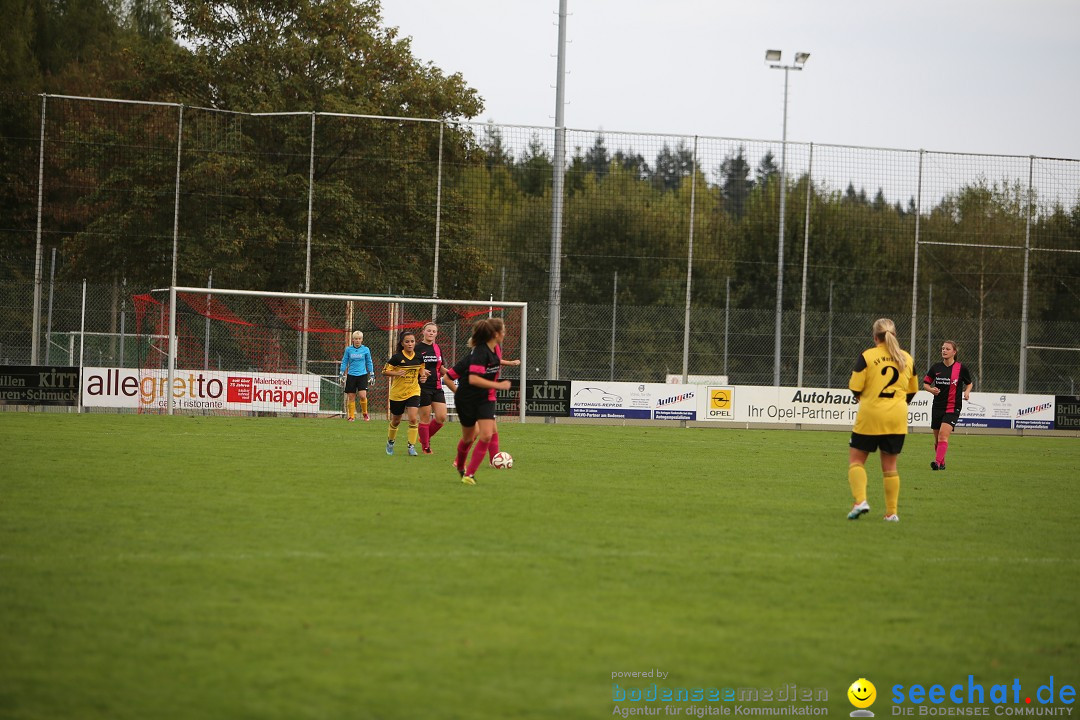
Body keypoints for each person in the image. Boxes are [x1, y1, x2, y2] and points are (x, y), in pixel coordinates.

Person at [846, 317, 918, 523]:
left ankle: (860, 501)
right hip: (897, 417)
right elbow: (912, 391)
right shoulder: (907, 358)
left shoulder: (868, 356)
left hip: (871, 414)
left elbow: (855, 388)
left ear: (874, 336)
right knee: (890, 467)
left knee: (857, 461)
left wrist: (868, 399)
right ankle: (891, 513)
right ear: (894, 335)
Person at [444, 318, 512, 485]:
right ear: (495, 334)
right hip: (467, 400)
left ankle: (470, 474)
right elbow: (473, 379)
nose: (505, 333)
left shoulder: (496, 349)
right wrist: (498, 385)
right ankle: (460, 465)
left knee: (486, 434)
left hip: (485, 398)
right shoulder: (479, 354)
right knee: (468, 439)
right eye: (503, 330)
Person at [922, 340, 974, 471]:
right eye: (943, 348)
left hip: (953, 407)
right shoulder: (936, 368)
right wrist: (931, 390)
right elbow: (925, 384)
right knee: (937, 440)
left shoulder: (961, 368)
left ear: (954, 352)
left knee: (943, 436)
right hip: (937, 406)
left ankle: (937, 463)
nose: (944, 351)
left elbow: (969, 383)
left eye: (947, 349)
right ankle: (942, 462)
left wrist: (967, 392)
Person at [382, 329, 429, 456]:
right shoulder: (397, 358)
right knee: (396, 420)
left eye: (412, 341)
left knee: (413, 418)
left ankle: (411, 446)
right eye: (407, 342)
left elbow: (421, 368)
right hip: (397, 393)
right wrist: (396, 373)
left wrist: (423, 376)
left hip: (413, 391)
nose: (410, 344)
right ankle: (391, 441)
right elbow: (385, 371)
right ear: (402, 344)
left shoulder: (419, 356)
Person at [415, 321, 448, 454]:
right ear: (423, 332)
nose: (431, 333)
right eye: (429, 331)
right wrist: (421, 371)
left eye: (434, 331)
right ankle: (426, 447)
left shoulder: (437, 348)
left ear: (436, 334)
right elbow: (410, 366)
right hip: (422, 387)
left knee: (441, 417)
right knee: (425, 418)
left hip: (437, 386)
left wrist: (454, 373)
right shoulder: (416, 348)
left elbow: (441, 367)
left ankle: (423, 438)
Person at [339, 330, 373, 422]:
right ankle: (351, 416)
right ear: (353, 340)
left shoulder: (366, 350)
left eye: (359, 339)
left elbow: (369, 362)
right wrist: (341, 373)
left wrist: (371, 373)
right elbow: (345, 361)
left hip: (362, 375)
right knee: (351, 397)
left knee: (362, 395)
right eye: (356, 339)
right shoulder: (348, 349)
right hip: (351, 375)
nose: (357, 340)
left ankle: (365, 413)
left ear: (362, 340)